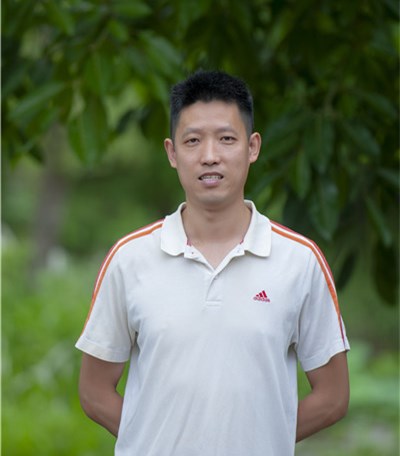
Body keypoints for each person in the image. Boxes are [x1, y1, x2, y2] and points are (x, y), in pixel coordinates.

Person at [76, 70, 350, 456]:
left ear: (252, 147)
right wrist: (157, 440)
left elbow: (333, 397)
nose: (209, 156)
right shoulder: (130, 259)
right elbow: (94, 392)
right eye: (193, 140)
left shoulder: (300, 262)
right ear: (172, 153)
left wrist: (258, 442)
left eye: (226, 139)